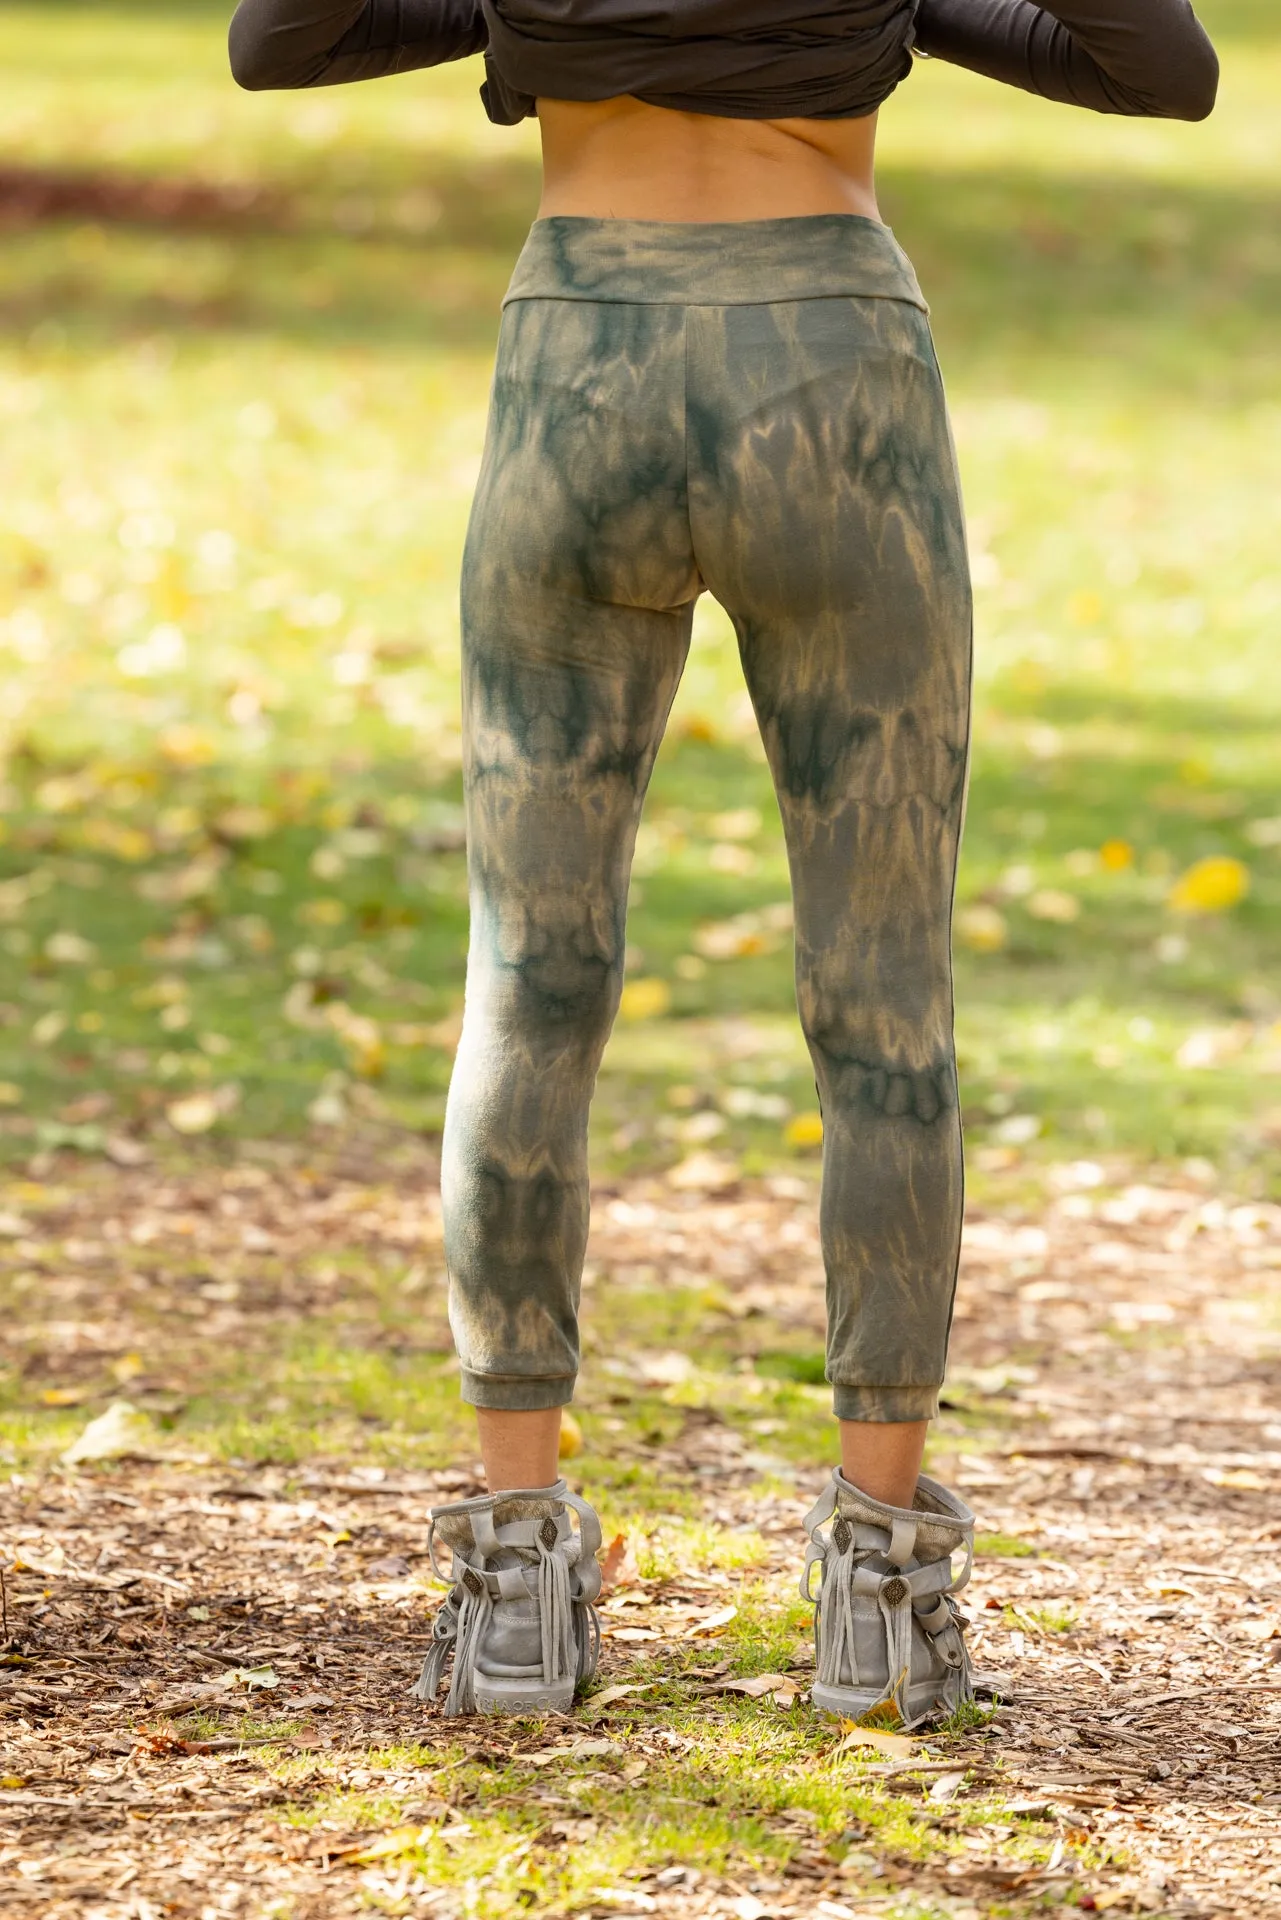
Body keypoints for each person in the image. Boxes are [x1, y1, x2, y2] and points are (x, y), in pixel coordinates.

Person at [227, 0, 1218, 1721]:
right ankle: (876, 1599)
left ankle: (518, 1578)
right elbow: (1159, 61)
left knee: (529, 987)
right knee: (883, 1002)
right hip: (831, 366)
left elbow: (274, 37)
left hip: (577, 369)